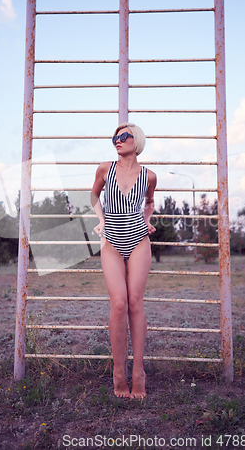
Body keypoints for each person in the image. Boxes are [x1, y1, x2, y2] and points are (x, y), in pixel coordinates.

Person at [90, 122, 157, 399]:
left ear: (136, 140)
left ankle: (138, 372)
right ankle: (119, 372)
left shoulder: (150, 176)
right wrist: (101, 220)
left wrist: (148, 219)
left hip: (139, 240)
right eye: (115, 137)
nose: (118, 140)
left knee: (134, 303)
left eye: (124, 136)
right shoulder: (105, 169)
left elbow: (150, 202)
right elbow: (93, 194)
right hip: (111, 242)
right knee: (118, 303)